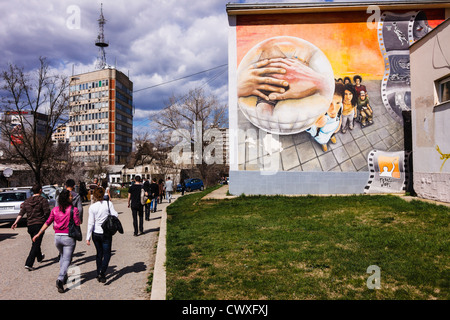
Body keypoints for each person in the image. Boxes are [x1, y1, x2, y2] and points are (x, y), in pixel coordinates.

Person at [33, 189, 81, 293]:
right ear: (67, 198)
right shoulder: (74, 209)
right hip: (68, 238)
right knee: (67, 259)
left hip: (57, 238)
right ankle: (60, 279)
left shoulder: (54, 210)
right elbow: (77, 223)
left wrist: (38, 234)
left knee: (62, 257)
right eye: (70, 196)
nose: (72, 197)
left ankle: (64, 277)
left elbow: (47, 222)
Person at [11, 184, 50, 271]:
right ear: (40, 190)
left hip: (30, 226)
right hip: (39, 224)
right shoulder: (43, 200)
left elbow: (21, 213)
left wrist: (15, 222)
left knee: (35, 241)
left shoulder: (27, 201)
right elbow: (47, 212)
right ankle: (29, 263)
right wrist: (47, 221)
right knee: (36, 244)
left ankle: (39, 257)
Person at [86, 187, 119, 283]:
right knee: (107, 254)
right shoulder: (108, 204)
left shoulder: (92, 207)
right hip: (106, 233)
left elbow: (90, 222)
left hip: (96, 233)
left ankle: (98, 272)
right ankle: (102, 272)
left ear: (95, 195)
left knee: (99, 254)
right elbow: (115, 215)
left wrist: (87, 237)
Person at [306, 82, 344, 152]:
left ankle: (332, 136)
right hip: (322, 136)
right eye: (330, 103)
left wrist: (338, 126)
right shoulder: (318, 116)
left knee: (332, 135)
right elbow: (309, 129)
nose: (334, 109)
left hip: (333, 130)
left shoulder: (341, 106)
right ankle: (324, 144)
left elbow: (340, 115)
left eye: (338, 103)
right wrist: (314, 123)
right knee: (323, 141)